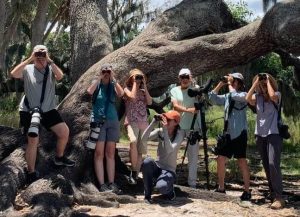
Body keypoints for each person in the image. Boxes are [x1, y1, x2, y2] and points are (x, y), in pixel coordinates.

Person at [10, 45, 75, 184]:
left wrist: (49, 60)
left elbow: (60, 76)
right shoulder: (27, 69)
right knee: (33, 140)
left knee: (64, 132)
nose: (40, 56)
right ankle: (31, 172)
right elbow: (14, 74)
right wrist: (30, 58)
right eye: (38, 53)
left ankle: (59, 157)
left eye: (42, 53)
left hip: (48, 109)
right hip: (29, 110)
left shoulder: (51, 69)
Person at [209, 73, 251, 201]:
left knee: (241, 161)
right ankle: (221, 188)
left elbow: (234, 95)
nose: (232, 83)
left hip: (239, 133)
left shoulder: (244, 95)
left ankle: (247, 191)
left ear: (240, 83)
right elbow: (212, 98)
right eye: (231, 81)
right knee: (220, 159)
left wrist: (229, 83)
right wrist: (221, 84)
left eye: (234, 81)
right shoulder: (227, 96)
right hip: (228, 133)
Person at [246, 73, 285, 209]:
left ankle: (279, 197)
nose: (263, 84)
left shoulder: (277, 94)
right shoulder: (257, 97)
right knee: (267, 166)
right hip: (260, 135)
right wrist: (255, 83)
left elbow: (273, 96)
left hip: (274, 133)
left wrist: (267, 81)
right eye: (261, 83)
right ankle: (272, 193)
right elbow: (247, 98)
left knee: (273, 163)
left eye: (265, 83)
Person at [87, 63, 124, 193]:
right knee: (99, 154)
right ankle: (102, 185)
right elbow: (89, 91)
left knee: (110, 154)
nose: (106, 73)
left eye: (108, 71)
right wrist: (99, 78)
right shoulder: (97, 84)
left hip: (112, 121)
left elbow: (121, 93)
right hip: (99, 121)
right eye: (104, 71)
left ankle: (111, 183)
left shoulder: (113, 84)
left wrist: (113, 78)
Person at [141, 110, 184, 204]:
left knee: (162, 187)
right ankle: (147, 196)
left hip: (169, 170)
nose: (166, 120)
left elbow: (170, 150)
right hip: (157, 167)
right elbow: (143, 139)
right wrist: (153, 123)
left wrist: (165, 131)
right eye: (165, 118)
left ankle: (170, 192)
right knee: (147, 162)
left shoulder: (179, 134)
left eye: (169, 119)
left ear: (176, 123)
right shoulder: (160, 131)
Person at [170, 68, 201, 188]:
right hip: (179, 126)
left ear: (191, 77)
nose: (184, 79)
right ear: (179, 78)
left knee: (192, 156)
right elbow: (175, 106)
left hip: (193, 127)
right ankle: (169, 178)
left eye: (187, 76)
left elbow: (201, 104)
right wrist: (189, 110)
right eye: (182, 77)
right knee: (172, 150)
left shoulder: (196, 89)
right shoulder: (174, 90)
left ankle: (192, 183)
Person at [123, 69, 152, 184]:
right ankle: (133, 170)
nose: (138, 79)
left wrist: (144, 85)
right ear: (131, 78)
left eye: (140, 77)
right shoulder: (126, 89)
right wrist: (135, 83)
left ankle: (135, 173)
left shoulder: (143, 91)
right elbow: (132, 97)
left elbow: (149, 102)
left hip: (143, 122)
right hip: (131, 121)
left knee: (140, 149)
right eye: (136, 77)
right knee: (133, 141)